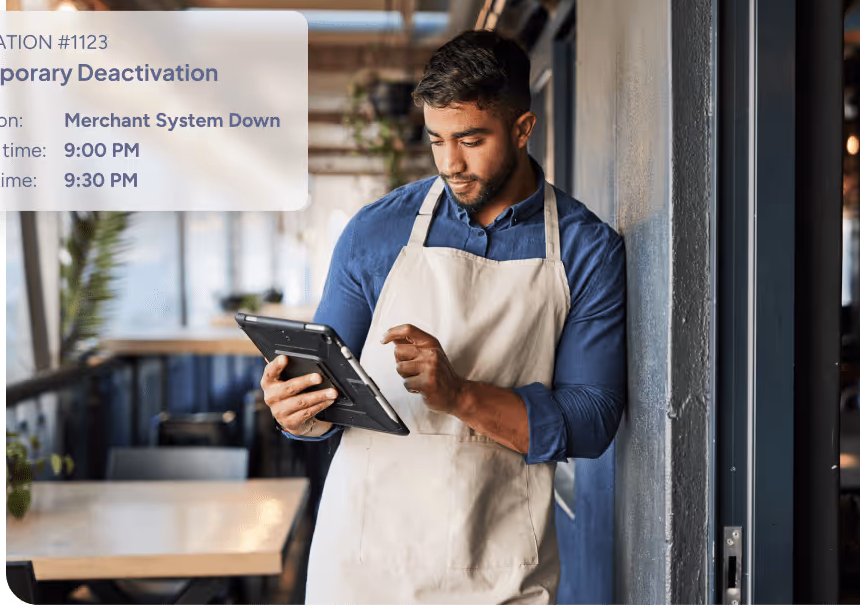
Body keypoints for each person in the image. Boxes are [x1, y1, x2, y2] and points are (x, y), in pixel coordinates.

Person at [260, 29, 627, 605]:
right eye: (437, 140)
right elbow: (324, 386)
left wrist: (460, 395)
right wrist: (296, 412)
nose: (450, 163)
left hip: (499, 564)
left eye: (471, 139)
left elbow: (592, 417)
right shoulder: (375, 232)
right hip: (364, 563)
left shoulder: (585, 249)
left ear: (524, 129)